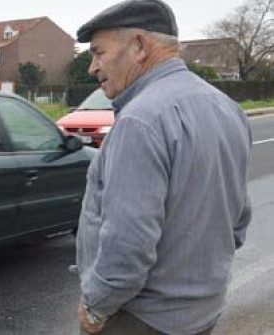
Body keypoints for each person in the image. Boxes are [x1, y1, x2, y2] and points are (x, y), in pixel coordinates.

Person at [73, 0, 253, 334]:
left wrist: (95, 307)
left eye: (98, 52)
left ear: (140, 46)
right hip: (203, 313)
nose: (92, 68)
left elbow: (127, 248)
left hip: (142, 320)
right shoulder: (228, 109)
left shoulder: (140, 121)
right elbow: (238, 220)